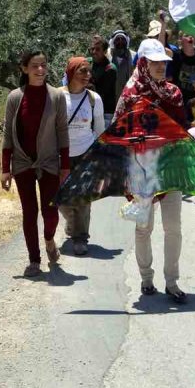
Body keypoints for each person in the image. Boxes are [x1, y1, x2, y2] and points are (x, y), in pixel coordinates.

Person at [114, 39, 188, 303]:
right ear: (143, 63)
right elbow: (119, 133)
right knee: (144, 228)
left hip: (170, 167)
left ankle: (172, 282)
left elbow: (183, 130)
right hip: (140, 168)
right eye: (154, 62)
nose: (160, 67)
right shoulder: (131, 93)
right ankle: (146, 278)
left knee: (173, 226)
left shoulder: (174, 94)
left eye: (162, 62)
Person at [0, 50, 70, 278]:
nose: (40, 70)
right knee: (29, 212)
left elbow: (62, 132)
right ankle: (33, 260)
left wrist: (66, 165)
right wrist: (5, 169)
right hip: (22, 164)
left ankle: (49, 239)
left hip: (49, 162)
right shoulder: (14, 97)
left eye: (43, 66)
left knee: (51, 212)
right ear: (24, 69)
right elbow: (7, 135)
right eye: (34, 66)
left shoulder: (56, 96)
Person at [59, 57, 105, 256]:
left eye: (88, 71)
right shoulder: (57, 96)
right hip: (61, 154)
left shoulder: (94, 99)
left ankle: (80, 237)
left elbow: (100, 128)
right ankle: (71, 221)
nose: (87, 75)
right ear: (71, 73)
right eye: (82, 71)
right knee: (61, 198)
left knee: (83, 199)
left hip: (86, 153)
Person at [89, 35, 118, 126]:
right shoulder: (88, 63)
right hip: (89, 110)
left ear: (105, 51)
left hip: (105, 113)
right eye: (92, 49)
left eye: (98, 49)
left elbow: (101, 93)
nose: (94, 52)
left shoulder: (110, 69)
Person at [108, 30, 135, 103]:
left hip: (129, 95)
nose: (120, 42)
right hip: (110, 96)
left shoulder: (133, 56)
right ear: (113, 42)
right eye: (117, 40)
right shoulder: (107, 55)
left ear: (127, 41)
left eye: (123, 39)